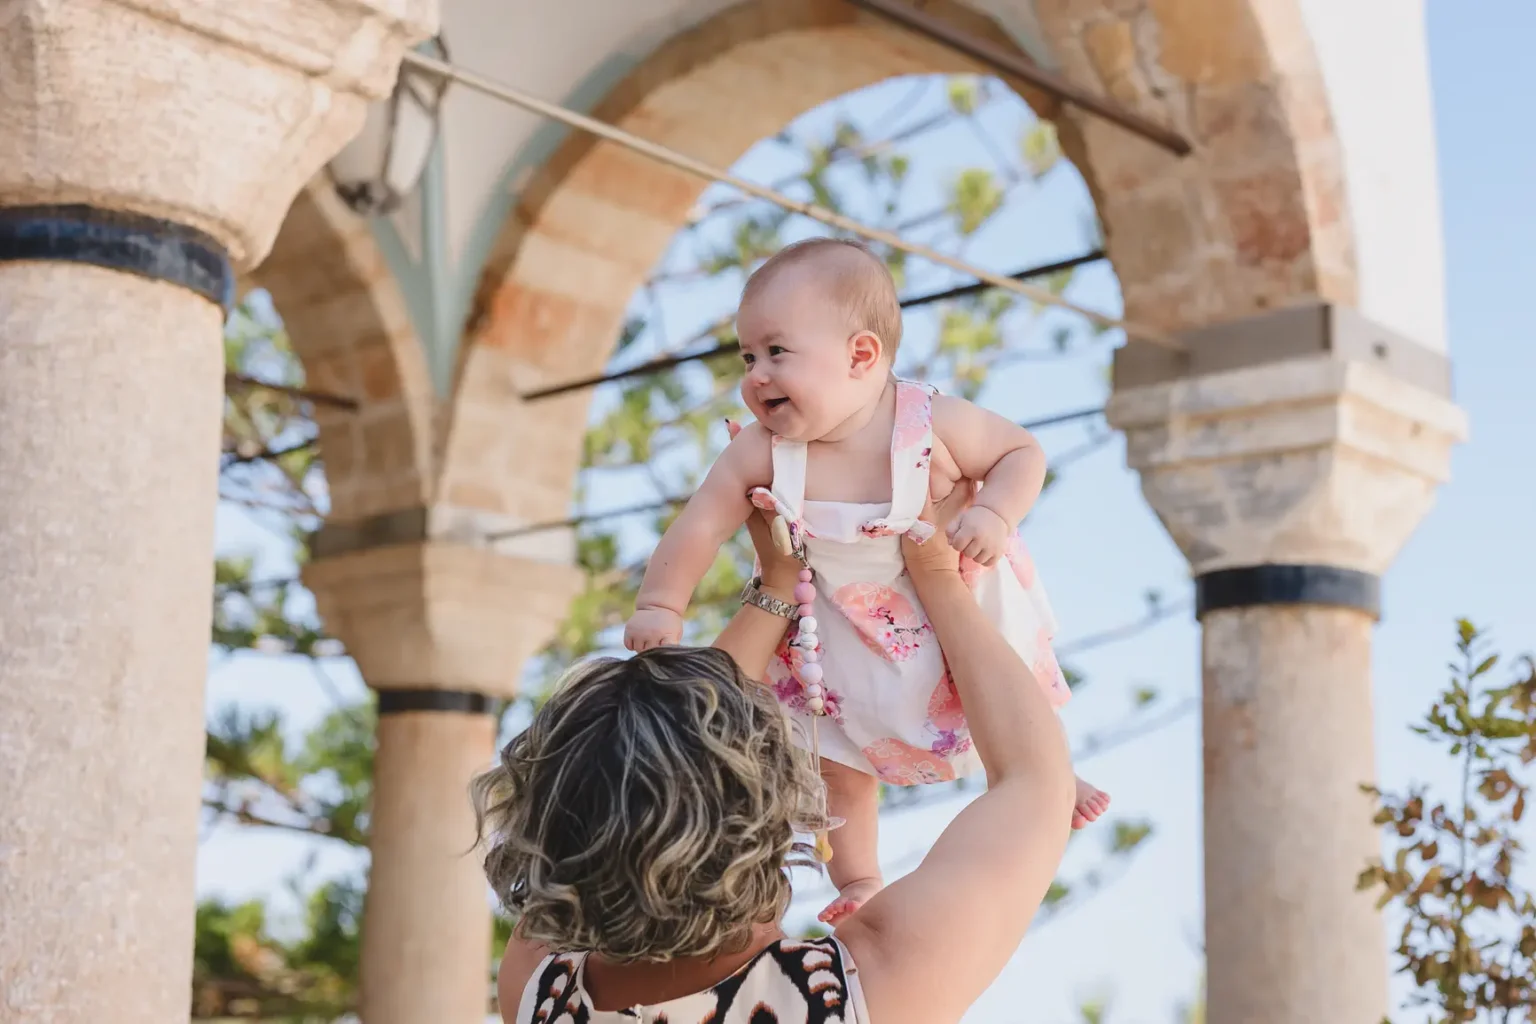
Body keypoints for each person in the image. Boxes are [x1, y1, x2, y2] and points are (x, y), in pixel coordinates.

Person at [622, 237, 1107, 923]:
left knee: (1008, 687)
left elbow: (1021, 451)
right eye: (748, 357)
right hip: (837, 634)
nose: (757, 375)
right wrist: (661, 604)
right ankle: (858, 880)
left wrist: (996, 512)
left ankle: (1052, 776)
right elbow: (700, 526)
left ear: (861, 356)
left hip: (951, 606)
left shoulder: (926, 420)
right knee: (831, 760)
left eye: (777, 352)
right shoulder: (760, 451)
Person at [474, 482, 1077, 1024]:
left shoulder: (539, 989)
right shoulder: (864, 988)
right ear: (762, 808)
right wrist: (935, 571)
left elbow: (647, 789)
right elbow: (1037, 783)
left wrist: (778, 589)